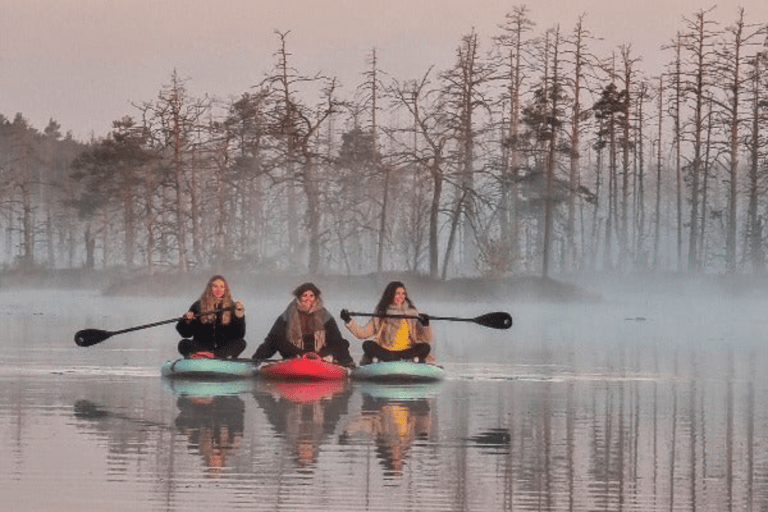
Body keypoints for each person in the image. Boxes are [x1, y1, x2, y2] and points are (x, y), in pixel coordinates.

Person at [251, 282, 354, 367]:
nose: (308, 299)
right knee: (275, 340)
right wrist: (257, 358)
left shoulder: (325, 315)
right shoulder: (287, 314)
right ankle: (255, 362)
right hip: (295, 352)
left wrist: (319, 355)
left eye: (311, 296)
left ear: (316, 298)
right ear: (299, 297)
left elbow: (336, 338)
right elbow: (273, 338)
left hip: (319, 352)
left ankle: (348, 364)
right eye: (305, 296)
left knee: (342, 343)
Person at [340, 280, 432, 364]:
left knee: (425, 347)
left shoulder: (412, 314)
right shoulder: (381, 314)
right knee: (367, 345)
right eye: (397, 294)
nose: (401, 297)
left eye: (403, 294)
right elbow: (363, 334)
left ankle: (398, 359)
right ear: (390, 295)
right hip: (386, 352)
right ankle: (396, 359)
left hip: (407, 351)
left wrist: (425, 325)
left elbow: (426, 338)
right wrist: (348, 320)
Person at [176, 275, 246, 359]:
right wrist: (186, 320)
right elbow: (185, 334)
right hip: (200, 346)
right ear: (210, 288)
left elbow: (239, 335)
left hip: (221, 349)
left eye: (221, 287)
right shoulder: (198, 305)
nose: (218, 290)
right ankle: (201, 354)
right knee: (183, 344)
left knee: (241, 343)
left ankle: (212, 355)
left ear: (225, 289)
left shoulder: (231, 306)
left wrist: (239, 315)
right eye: (215, 286)